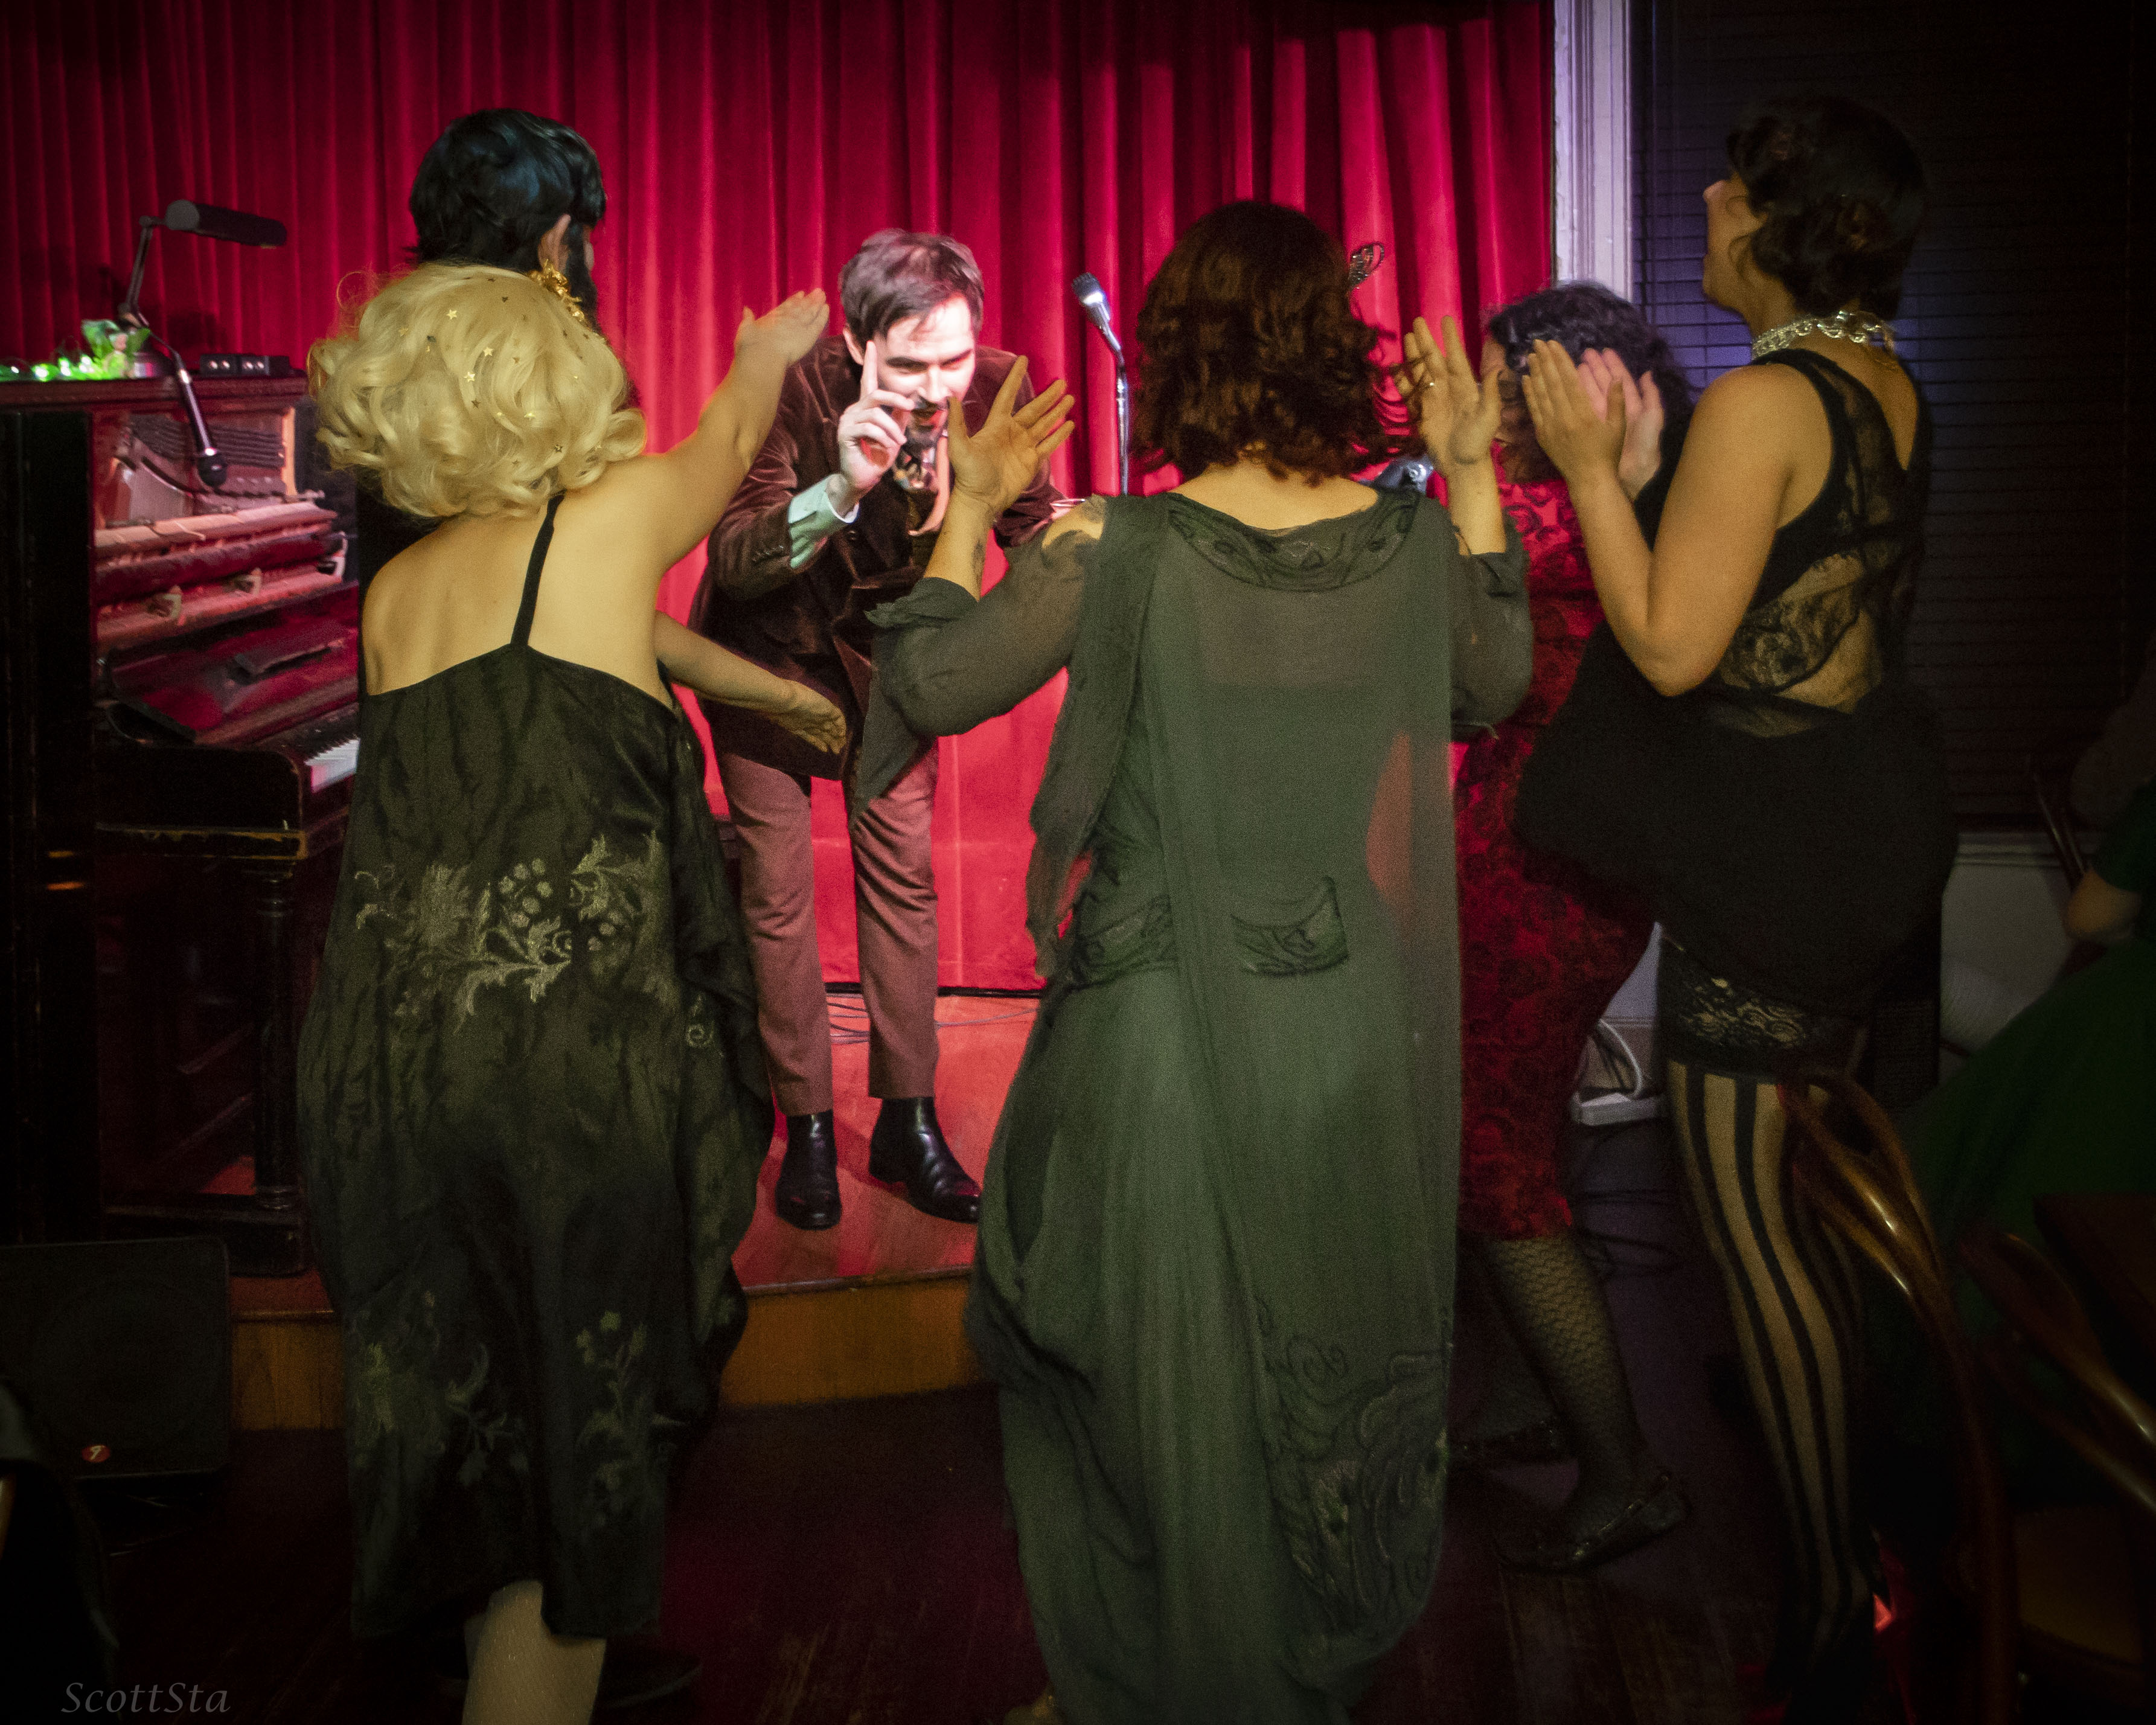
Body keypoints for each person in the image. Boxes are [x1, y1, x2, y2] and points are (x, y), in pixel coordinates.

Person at [861, 200, 1530, 1724]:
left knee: (1157, 1387)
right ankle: (1254, 1669)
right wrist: (1476, 468)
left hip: (1158, 1037)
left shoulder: (1115, 547)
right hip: (1340, 1024)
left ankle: (1154, 1678)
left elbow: (933, 679)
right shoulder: (1407, 542)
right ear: (1329, 350)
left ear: (1180, 352)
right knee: (1300, 1373)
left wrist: (971, 504)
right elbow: (1494, 680)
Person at [300, 263, 842, 1725]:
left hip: (383, 1075)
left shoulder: (400, 592)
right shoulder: (603, 525)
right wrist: (768, 350)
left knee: (488, 1454)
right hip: (553, 1072)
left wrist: (767, 693)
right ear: (555, 389)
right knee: (575, 1483)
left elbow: (579, 656)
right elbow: (725, 447)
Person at [1515, 95, 1952, 1721]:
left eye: (1730, 186)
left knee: (1754, 1243)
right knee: (1805, 1229)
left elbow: (1669, 648)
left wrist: (1586, 471)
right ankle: (1869, 1552)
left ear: (1778, 225)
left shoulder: (1769, 397)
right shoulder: (1878, 380)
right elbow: (1782, 617)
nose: (1703, 199)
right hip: (1859, 827)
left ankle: (1833, 1611)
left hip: (1778, 860)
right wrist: (1644, 479)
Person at [690, 229, 1063, 1232]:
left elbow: (1036, 530)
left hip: (892, 663)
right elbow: (736, 561)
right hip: (768, 656)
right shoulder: (789, 387)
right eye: (909, 365)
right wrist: (842, 489)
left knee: (902, 879)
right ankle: (807, 1122)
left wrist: (1081, 549)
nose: (938, 388)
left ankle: (908, 1117)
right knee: (775, 895)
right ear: (857, 345)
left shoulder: (996, 386)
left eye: (954, 358)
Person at [1449, 281, 1694, 1569]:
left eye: (1511, 385)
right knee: (1502, 1133)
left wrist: (1449, 465)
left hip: (1550, 870)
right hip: (1515, 848)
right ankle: (1522, 1398)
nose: (1494, 407)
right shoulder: (1588, 499)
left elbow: (1456, 574)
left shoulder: (1572, 513)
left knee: (1496, 1159)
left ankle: (1625, 1470)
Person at [353, 107, 609, 598]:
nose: (593, 259)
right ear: (556, 243)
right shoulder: (555, 382)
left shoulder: (378, 366)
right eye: (587, 239)